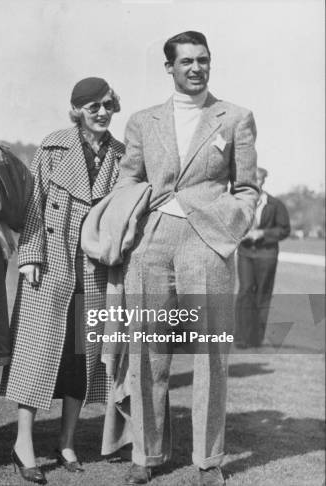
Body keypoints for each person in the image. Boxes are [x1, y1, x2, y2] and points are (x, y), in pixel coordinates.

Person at [115, 31, 259, 485]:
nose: (196, 68)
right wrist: (134, 233)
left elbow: (248, 188)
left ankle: (208, 460)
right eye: (187, 62)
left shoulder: (235, 117)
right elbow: (128, 182)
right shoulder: (142, 121)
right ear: (169, 68)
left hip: (208, 242)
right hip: (151, 244)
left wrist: (224, 231)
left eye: (203, 60)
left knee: (210, 355)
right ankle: (146, 454)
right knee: (147, 353)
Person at [0, 77, 125, 484]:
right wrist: (30, 256)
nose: (102, 113)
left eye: (108, 105)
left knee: (81, 358)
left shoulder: (122, 156)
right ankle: (23, 444)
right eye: (94, 107)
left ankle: (67, 441)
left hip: (96, 271)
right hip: (51, 265)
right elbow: (33, 206)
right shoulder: (52, 148)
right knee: (35, 354)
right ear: (77, 111)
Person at [235, 167, 290, 348]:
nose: (254, 183)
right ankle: (242, 338)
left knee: (262, 294)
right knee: (244, 292)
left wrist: (263, 234)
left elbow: (284, 230)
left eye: (257, 180)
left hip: (267, 254)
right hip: (245, 252)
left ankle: (255, 339)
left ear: (263, 182)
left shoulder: (275, 204)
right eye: (251, 179)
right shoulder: (238, 202)